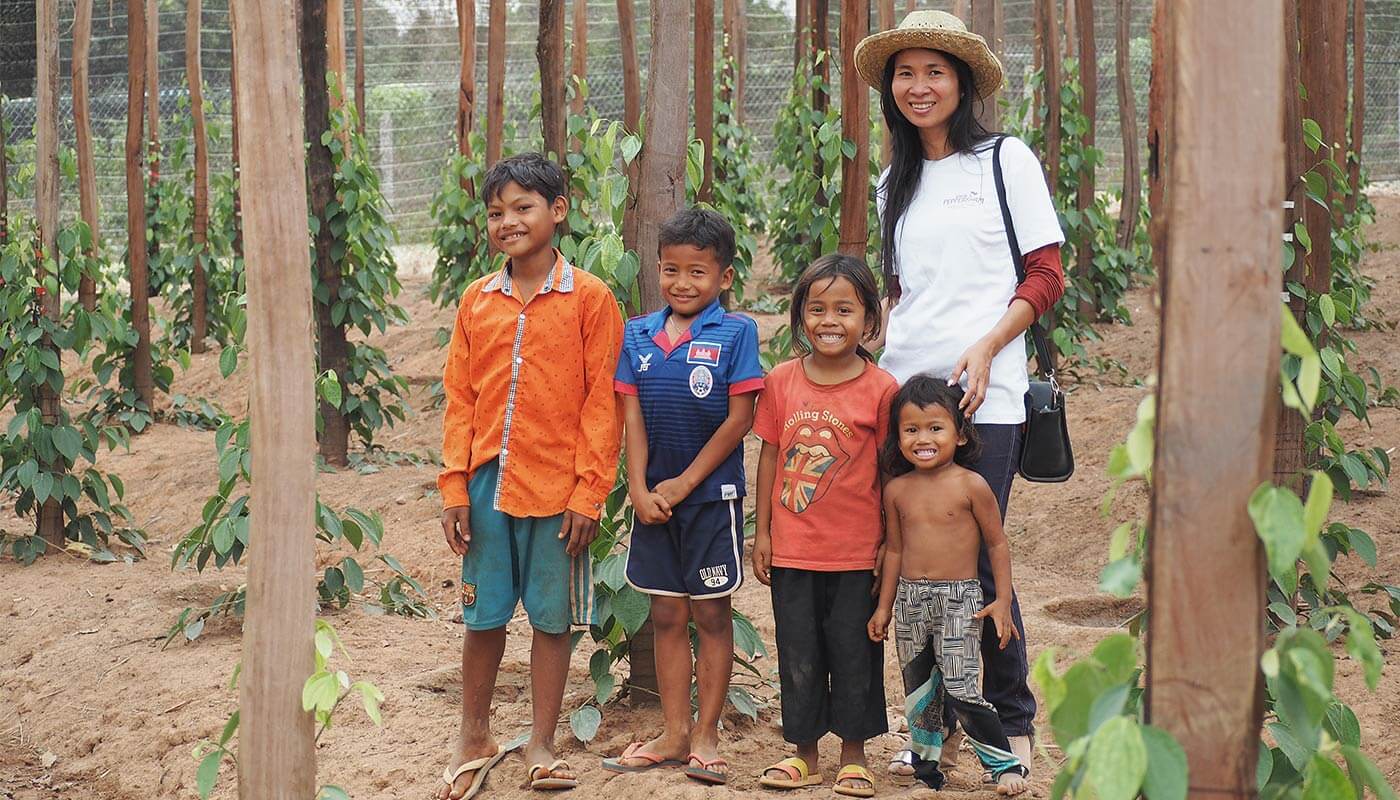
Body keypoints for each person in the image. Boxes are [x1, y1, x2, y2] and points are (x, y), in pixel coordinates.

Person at [853, 10, 1066, 779]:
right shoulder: (892, 181)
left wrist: (984, 348)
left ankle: (1011, 726)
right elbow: (908, 292)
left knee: (974, 566)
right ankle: (928, 734)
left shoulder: (1005, 161)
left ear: (963, 82)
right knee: (914, 570)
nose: (919, 86)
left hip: (985, 394)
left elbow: (1044, 275)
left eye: (934, 72)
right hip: (908, 399)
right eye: (905, 74)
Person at [436, 152, 623, 799]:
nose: (508, 221)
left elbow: (603, 401)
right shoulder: (477, 301)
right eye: (496, 212)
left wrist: (590, 490)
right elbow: (460, 397)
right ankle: (474, 735)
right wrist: (454, 485)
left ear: (558, 211)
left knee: (551, 619)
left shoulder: (591, 299)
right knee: (482, 616)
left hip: (559, 488)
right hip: (487, 484)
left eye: (523, 207)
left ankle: (541, 744)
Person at [601, 208, 764, 786]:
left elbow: (739, 420)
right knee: (666, 613)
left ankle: (706, 734)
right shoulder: (638, 333)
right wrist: (641, 489)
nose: (682, 283)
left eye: (697, 272)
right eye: (671, 270)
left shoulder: (737, 332)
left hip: (708, 499)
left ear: (723, 277)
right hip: (654, 504)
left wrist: (683, 484)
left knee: (711, 615)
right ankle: (673, 733)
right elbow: (633, 417)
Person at [752, 254, 899, 799]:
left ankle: (854, 756)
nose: (829, 320)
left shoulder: (882, 389)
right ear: (800, 316)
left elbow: (889, 471)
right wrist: (764, 532)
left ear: (868, 320)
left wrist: (888, 541)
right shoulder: (781, 381)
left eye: (844, 308)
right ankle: (804, 755)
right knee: (799, 652)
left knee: (855, 651)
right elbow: (770, 457)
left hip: (857, 552)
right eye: (816, 309)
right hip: (793, 549)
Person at [868, 376, 1030, 796]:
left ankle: (1003, 765)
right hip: (909, 601)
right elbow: (895, 552)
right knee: (919, 692)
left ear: (960, 434)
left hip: (960, 600)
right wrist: (885, 607)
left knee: (961, 687)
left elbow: (997, 543)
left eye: (935, 428)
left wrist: (1002, 601)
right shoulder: (897, 490)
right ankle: (928, 772)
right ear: (898, 436)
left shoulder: (971, 485)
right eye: (911, 429)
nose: (923, 438)